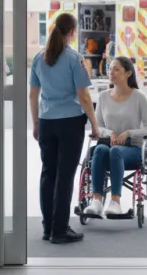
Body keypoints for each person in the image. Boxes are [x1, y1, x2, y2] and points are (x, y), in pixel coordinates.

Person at [30, 13, 100, 244]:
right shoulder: (74, 58)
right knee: (65, 176)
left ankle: (48, 227)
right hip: (70, 123)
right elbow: (84, 96)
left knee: (47, 174)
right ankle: (60, 230)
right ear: (72, 33)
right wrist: (95, 123)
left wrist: (36, 123)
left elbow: (33, 94)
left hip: (47, 122)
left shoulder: (39, 58)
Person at [83, 56, 147, 217]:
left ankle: (115, 201)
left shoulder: (139, 97)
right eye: (110, 69)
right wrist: (111, 134)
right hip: (109, 145)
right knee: (100, 150)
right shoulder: (103, 97)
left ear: (128, 73)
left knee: (115, 151)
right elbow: (97, 126)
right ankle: (96, 201)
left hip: (133, 149)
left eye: (116, 69)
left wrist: (129, 133)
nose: (111, 72)